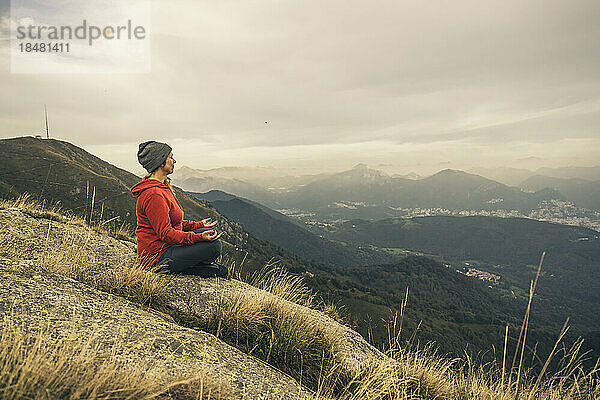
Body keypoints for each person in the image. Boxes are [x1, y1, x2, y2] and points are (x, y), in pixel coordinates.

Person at [130, 140, 227, 278]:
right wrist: (197, 237)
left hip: (167, 247)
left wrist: (198, 226)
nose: (174, 161)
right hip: (156, 257)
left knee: (208, 232)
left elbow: (173, 222)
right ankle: (192, 269)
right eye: (170, 157)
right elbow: (166, 233)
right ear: (160, 162)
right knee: (214, 246)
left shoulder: (162, 187)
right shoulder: (154, 194)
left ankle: (192, 264)